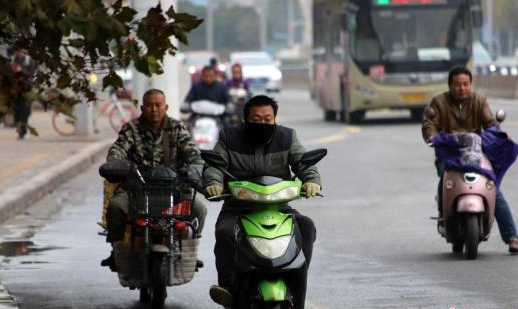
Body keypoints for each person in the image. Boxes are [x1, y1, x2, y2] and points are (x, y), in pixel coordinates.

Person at [203, 95, 322, 308]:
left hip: (280, 207)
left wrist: (312, 181)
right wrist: (213, 183)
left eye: (267, 119)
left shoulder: (287, 137)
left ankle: (297, 277)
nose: (262, 123)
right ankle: (228, 287)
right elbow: (214, 165)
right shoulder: (228, 137)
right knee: (225, 233)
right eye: (256, 119)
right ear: (246, 118)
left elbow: (303, 162)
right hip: (238, 208)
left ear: (274, 118)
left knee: (306, 226)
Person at [101, 89, 208, 269]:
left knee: (199, 209)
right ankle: (116, 249)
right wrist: (115, 164)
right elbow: (117, 151)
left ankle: (190, 248)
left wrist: (195, 169)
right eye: (149, 105)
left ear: (165, 107)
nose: (154, 109)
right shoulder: (131, 129)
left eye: (158, 105)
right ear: (142, 107)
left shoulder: (177, 128)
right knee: (116, 207)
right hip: (137, 190)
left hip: (173, 191)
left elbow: (193, 153)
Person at [422, 65, 518, 253]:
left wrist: (493, 134)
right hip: (449, 154)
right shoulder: (438, 102)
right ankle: (444, 217)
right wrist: (432, 137)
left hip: (475, 153)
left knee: (493, 190)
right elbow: (429, 124)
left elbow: (491, 124)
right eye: (457, 84)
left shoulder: (479, 101)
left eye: (466, 84)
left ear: (471, 85)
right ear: (450, 85)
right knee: (444, 181)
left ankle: (512, 237)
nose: (462, 88)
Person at [9, 47, 36, 139]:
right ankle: (20, 129)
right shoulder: (13, 60)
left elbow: (31, 74)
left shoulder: (29, 61)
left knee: (25, 112)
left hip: (27, 90)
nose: (19, 53)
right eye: (18, 51)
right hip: (16, 90)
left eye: (21, 51)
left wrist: (21, 70)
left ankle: (22, 132)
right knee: (17, 112)